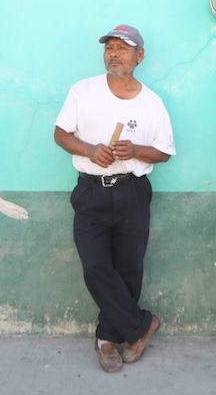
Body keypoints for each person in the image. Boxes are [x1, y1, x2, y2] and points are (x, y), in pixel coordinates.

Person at [54, 24, 176, 373]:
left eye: (123, 48)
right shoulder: (83, 91)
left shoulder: (152, 103)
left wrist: (135, 149)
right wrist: (90, 149)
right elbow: (61, 134)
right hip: (91, 191)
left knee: (128, 269)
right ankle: (141, 326)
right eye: (109, 47)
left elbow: (164, 152)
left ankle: (107, 339)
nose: (114, 53)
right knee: (95, 266)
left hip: (132, 191)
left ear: (140, 56)